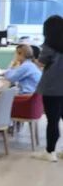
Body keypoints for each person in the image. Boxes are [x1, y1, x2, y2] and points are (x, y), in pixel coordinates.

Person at [35, 15, 63, 162]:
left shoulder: (49, 46)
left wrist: (33, 60)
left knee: (52, 120)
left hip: (52, 87)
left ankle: (50, 151)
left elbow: (41, 63)